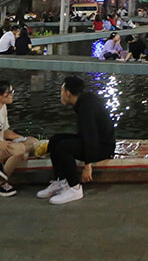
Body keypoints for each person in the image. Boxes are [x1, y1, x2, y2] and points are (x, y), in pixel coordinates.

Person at [36, 76, 117, 205]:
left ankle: (74, 188)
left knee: (64, 147)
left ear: (68, 93)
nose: (60, 95)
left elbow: (91, 135)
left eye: (61, 91)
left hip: (102, 147)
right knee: (55, 140)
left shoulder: (86, 107)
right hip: (95, 142)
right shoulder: (84, 100)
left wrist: (88, 165)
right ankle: (61, 181)